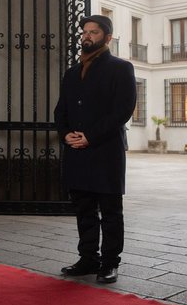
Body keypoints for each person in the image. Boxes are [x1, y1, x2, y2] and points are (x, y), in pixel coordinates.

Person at [55, 14, 137, 284]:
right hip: (77, 151)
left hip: (105, 150)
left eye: (93, 32)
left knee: (111, 211)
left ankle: (110, 262)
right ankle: (88, 258)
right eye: (84, 32)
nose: (86, 36)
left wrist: (89, 136)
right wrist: (66, 134)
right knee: (84, 208)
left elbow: (122, 110)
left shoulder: (120, 68)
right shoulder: (71, 73)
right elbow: (61, 110)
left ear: (108, 38)